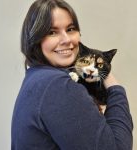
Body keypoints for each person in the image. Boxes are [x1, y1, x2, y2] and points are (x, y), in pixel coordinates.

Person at [11, 0, 133, 149]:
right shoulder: (56, 85)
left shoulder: (37, 78)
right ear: (35, 39)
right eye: (52, 32)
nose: (66, 40)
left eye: (70, 29)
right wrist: (116, 88)